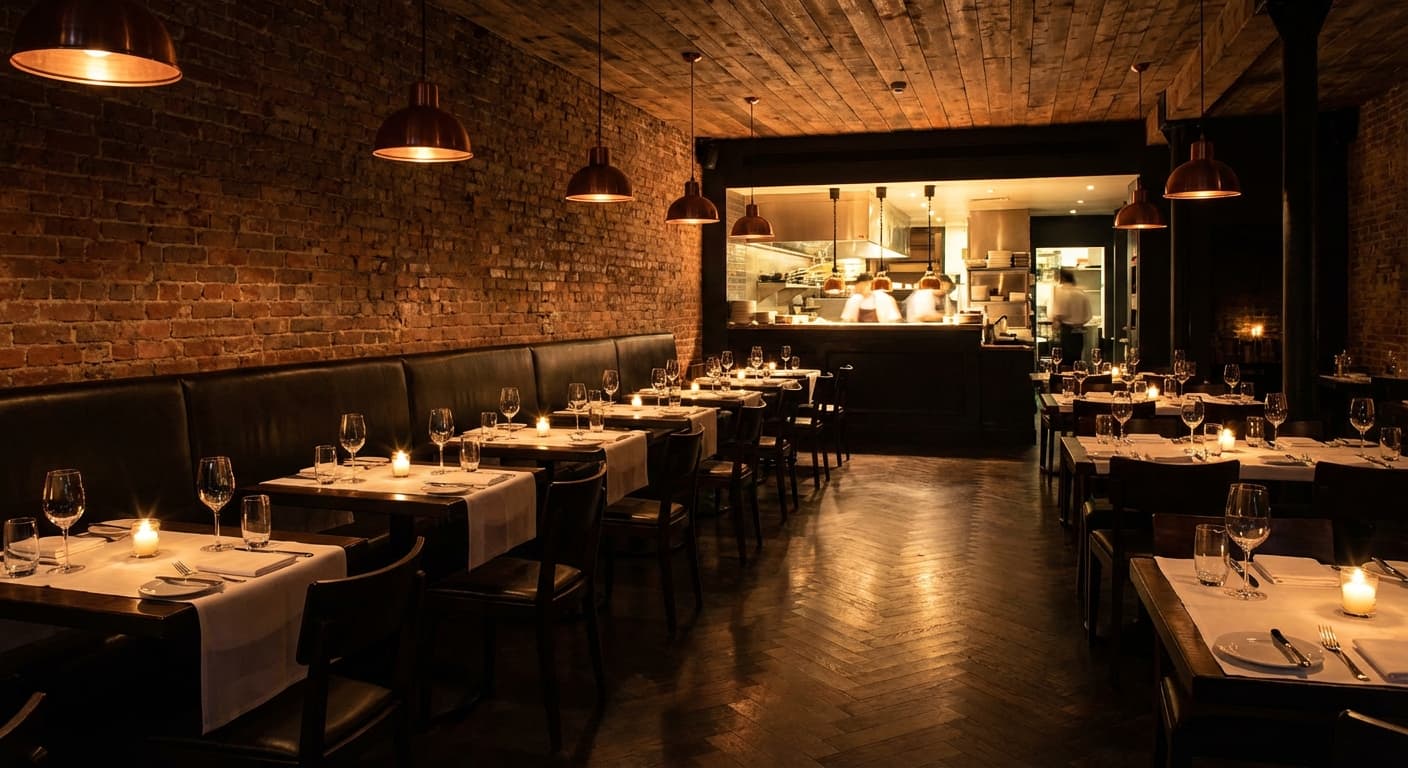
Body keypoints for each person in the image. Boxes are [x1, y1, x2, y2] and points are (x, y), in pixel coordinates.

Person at [1050, 269, 1092, 362]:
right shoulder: (1081, 293)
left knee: (1062, 361)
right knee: (1076, 360)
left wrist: (1056, 321)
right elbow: (1089, 315)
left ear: (1062, 278)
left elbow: (1058, 313)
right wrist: (1079, 323)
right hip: (1079, 332)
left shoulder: (1060, 292)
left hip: (1066, 330)